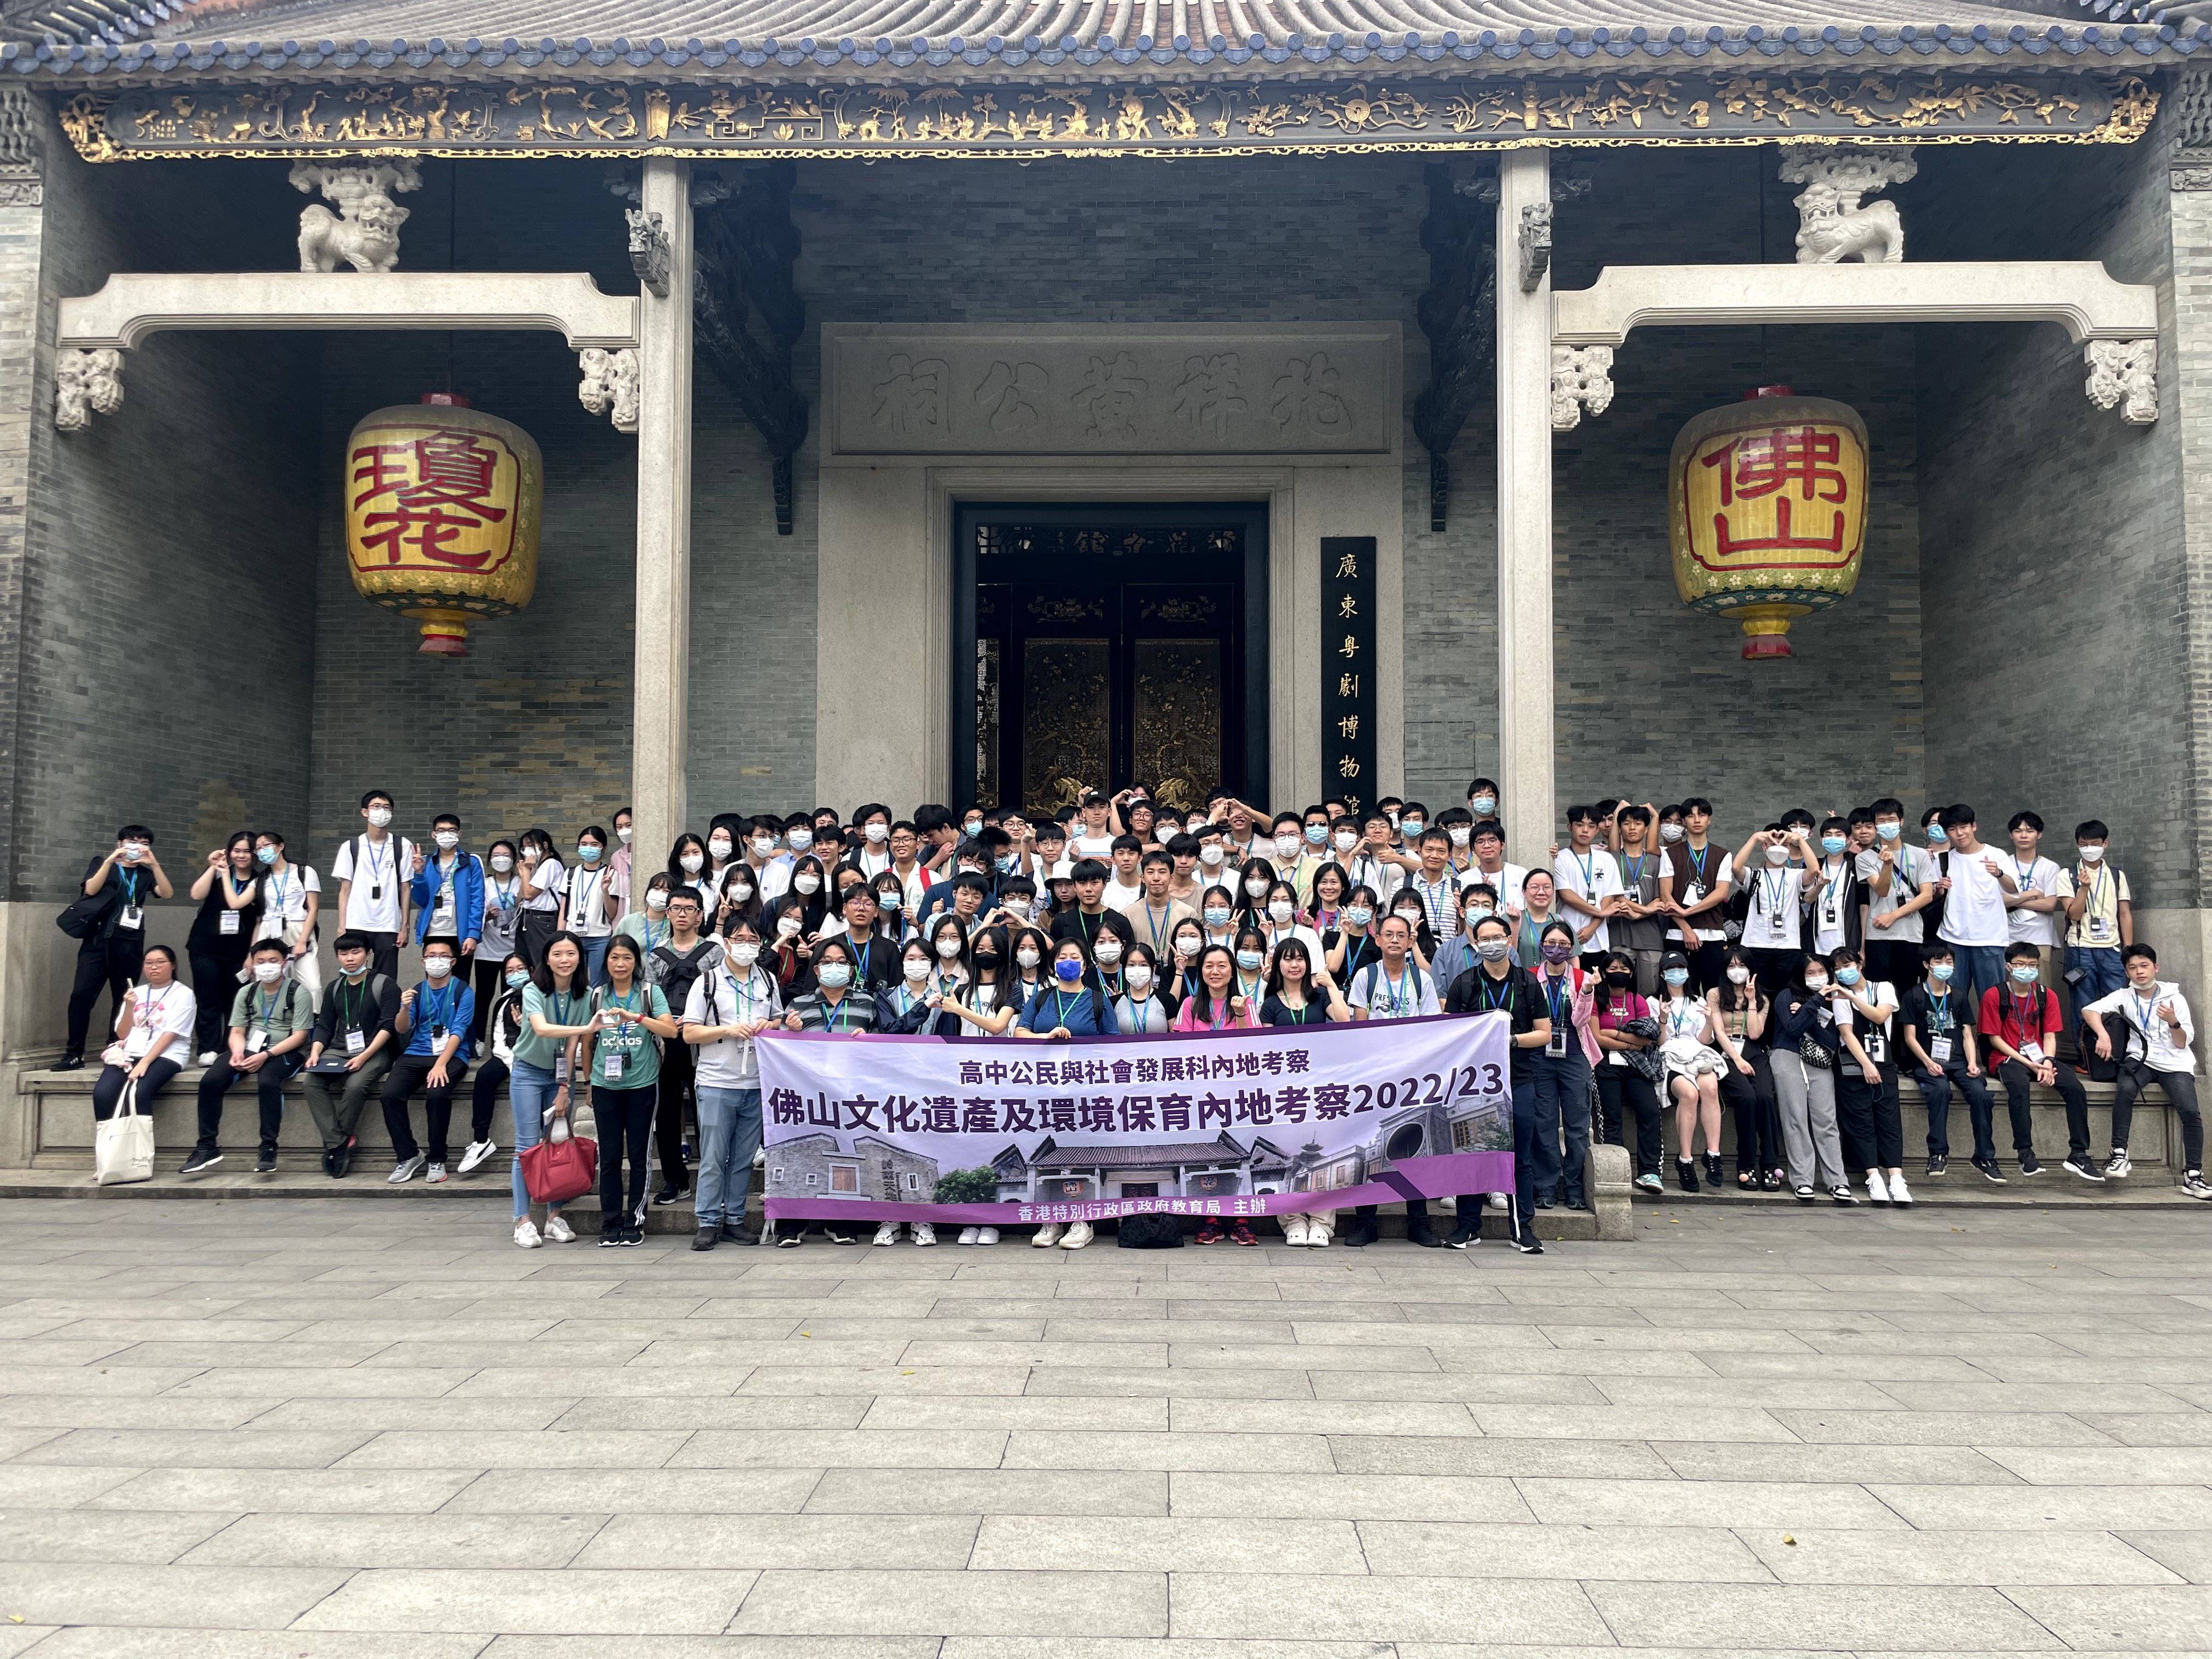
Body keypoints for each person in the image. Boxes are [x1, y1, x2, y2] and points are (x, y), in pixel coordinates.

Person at [1443, 914, 1550, 1254]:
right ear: (1476, 945)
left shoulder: (1528, 982)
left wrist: (1510, 1040)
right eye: (1484, 939)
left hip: (1518, 1080)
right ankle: (1467, 1226)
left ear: (1509, 940)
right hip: (1474, 1085)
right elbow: (1449, 1033)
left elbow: (1544, 1033)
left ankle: (1522, 1229)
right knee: (1472, 1154)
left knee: (1520, 1156)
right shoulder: (1465, 983)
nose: (1492, 944)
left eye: (1497, 938)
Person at [1344, 915, 1446, 1246]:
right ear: (1378, 939)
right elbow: (1359, 1028)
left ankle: (1419, 1222)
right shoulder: (1366, 976)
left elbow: (1430, 1028)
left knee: (1417, 1145)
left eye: (1401, 935)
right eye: (1388, 934)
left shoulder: (1422, 979)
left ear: (1410, 941)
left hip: (1413, 1074)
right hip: (1374, 1075)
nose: (1394, 940)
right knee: (1369, 1145)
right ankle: (1366, 1222)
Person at [684, 916, 782, 1249]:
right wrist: (727, 1030)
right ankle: (708, 1221)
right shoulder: (708, 981)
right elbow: (689, 1032)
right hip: (716, 1081)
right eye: (740, 939)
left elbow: (778, 1021)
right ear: (726, 943)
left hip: (755, 1082)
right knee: (714, 1156)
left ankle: (735, 1219)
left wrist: (773, 1025)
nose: (747, 946)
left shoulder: (767, 980)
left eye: (753, 940)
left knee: (743, 1158)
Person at [2083, 944, 2209, 1197]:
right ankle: (2119, 1154)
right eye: (2133, 968)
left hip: (2174, 1062)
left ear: (2155, 968)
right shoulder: (2124, 995)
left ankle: (2193, 1175)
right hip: (2140, 1058)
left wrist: (2173, 1022)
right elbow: (2089, 1010)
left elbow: (2182, 1043)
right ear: (2126, 972)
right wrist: (2103, 1035)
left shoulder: (2174, 998)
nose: (2139, 972)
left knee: (2190, 1112)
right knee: (2126, 1089)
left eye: (2144, 966)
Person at [182, 939, 313, 1175]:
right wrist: (237, 1052)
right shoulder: (247, 992)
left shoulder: (298, 992)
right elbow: (237, 1031)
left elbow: (300, 1036)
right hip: (250, 1048)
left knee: (268, 1082)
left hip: (285, 1051)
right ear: (252, 963)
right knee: (211, 1081)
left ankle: (268, 1147)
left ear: (284, 963)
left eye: (273, 961)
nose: (266, 966)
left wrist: (267, 1055)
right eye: (260, 961)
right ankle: (207, 1147)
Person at [775, 935, 873, 1246]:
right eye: (828, 962)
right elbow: (778, 1049)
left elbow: (883, 1045)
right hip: (808, 1094)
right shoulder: (799, 1005)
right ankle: (791, 1224)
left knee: (845, 1155)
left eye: (842, 963)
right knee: (801, 1153)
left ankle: (839, 1222)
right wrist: (790, 1031)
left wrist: (870, 1038)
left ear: (851, 970)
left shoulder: (867, 1003)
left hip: (850, 1094)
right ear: (816, 970)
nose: (835, 967)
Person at [583, 933, 678, 1246]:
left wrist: (636, 1017)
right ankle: (610, 1221)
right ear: (606, 961)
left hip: (643, 1084)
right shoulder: (597, 995)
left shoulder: (650, 992)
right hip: (604, 1085)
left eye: (627, 957)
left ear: (636, 962)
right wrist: (587, 1081)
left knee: (639, 1156)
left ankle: (635, 1220)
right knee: (610, 1157)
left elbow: (670, 1030)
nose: (620, 964)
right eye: (614, 957)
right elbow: (586, 1041)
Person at [1260, 938, 1351, 1246]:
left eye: (1300, 959)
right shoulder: (1271, 1004)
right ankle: (1293, 1220)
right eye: (1287, 959)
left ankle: (1322, 1222)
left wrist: (1332, 985)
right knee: (1287, 1155)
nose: (1294, 964)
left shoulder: (1320, 996)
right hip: (1285, 1089)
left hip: (1321, 1085)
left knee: (1326, 1153)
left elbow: (1344, 1019)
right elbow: (1267, 1050)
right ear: (1278, 965)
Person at [62, 825, 174, 1071]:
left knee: (123, 999)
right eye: (132, 842)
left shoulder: (145, 874)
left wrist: (154, 865)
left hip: (129, 943)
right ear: (120, 844)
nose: (137, 847)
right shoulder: (103, 864)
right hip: (97, 941)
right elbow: (90, 889)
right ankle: (74, 1053)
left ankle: (115, 1048)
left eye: (144, 843)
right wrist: (110, 861)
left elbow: (167, 893)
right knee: (81, 996)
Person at [509, 930, 595, 1248]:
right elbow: (542, 1029)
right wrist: (587, 1028)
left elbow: (572, 1045)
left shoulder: (585, 994)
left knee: (557, 1142)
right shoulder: (533, 990)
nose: (564, 960)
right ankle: (522, 1221)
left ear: (580, 958)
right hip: (528, 1072)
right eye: (557, 954)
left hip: (559, 1076)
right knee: (526, 1145)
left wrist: (565, 1086)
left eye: (571, 954)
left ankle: (553, 1217)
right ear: (547, 959)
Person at [1980, 940, 2090, 1182]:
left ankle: (2079, 1153)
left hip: (2040, 1056)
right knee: (2019, 1087)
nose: (2027, 969)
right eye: (2020, 964)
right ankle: (2025, 1152)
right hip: (2007, 1056)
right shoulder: (1995, 994)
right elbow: (1994, 1038)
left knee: (2075, 1088)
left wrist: (2048, 1063)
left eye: (2032, 965)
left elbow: (2050, 1035)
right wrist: (2029, 1064)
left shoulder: (2046, 995)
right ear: (2009, 966)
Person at [641, 885, 720, 1209]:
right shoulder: (656, 956)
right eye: (676, 908)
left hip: (705, 1041)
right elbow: (648, 997)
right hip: (667, 1041)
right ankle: (675, 1180)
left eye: (690, 909)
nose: (683, 914)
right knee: (668, 1112)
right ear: (668, 913)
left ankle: (713, 1182)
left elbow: (722, 994)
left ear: (700, 915)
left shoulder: (714, 953)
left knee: (708, 1114)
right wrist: (664, 1022)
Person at [300, 932, 400, 1178]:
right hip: (339, 1049)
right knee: (311, 1082)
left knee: (355, 1086)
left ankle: (336, 1143)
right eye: (343, 954)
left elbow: (388, 1026)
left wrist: (364, 1057)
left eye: (356, 952)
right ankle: (339, 1142)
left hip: (376, 1050)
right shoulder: (335, 987)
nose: (350, 958)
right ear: (337, 957)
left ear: (368, 954)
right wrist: (315, 1053)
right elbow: (325, 1026)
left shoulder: (385, 984)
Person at [380, 936, 475, 1185]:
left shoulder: (463, 991)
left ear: (453, 962)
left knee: (437, 1095)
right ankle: (409, 1155)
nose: (437, 961)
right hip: (417, 1053)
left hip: (452, 1055)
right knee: (390, 1095)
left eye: (443, 956)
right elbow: (402, 1029)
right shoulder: (417, 991)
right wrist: (403, 1009)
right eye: (431, 956)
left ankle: (437, 1159)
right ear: (423, 961)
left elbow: (459, 1031)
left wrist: (441, 1064)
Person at [1901, 943, 1996, 1181]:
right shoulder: (1914, 995)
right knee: (1940, 1091)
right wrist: (1927, 1062)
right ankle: (1938, 1153)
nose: (1945, 966)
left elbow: (1967, 1034)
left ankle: (1985, 1156)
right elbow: (1910, 1037)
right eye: (1939, 962)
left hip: (1958, 1061)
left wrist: (1973, 1063)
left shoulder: (1959, 996)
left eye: (1949, 962)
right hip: (1926, 1061)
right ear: (1927, 965)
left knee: (1981, 1095)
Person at [1829, 945, 1910, 1205]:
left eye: (1847, 965)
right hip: (1854, 1064)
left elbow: (1879, 1016)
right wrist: (1866, 1064)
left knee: (1889, 1120)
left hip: (1884, 1060)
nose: (1843, 972)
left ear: (1860, 965)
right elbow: (1847, 1033)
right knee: (1860, 1121)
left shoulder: (1883, 988)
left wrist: (1852, 997)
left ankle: (1896, 1178)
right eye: (1838, 969)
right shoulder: (1838, 997)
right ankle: (1873, 1177)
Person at [1771, 953, 1854, 1204]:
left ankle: (1837, 1180)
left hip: (1819, 1060)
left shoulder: (1835, 1000)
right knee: (1795, 1118)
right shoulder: (1786, 996)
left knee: (1826, 1119)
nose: (1817, 977)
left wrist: (1809, 1014)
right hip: (1788, 1056)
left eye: (1821, 972)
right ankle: (1802, 1180)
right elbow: (1792, 1029)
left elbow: (1831, 1040)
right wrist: (1815, 1002)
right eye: (1811, 973)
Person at [1527, 921, 1595, 1212]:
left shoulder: (1582, 978)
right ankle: (1546, 1187)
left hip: (1574, 1056)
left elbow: (1581, 1021)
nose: (1557, 949)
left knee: (1577, 1126)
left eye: (1564, 944)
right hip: (1539, 1057)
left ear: (1572, 947)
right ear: (1542, 946)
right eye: (1551, 943)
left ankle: (1575, 1188)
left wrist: (1587, 992)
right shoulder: (1530, 977)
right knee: (1543, 1123)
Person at [89, 944, 194, 1124]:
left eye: (160, 962)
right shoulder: (136, 992)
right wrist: (129, 1006)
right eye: (149, 963)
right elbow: (122, 1034)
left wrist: (145, 1062)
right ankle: (108, 1139)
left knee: (139, 1092)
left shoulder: (184, 993)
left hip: (167, 1054)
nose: (154, 967)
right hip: (132, 1051)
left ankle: (139, 1140)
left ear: (173, 965)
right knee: (103, 1093)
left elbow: (172, 1033)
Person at [1933, 804, 2019, 1009]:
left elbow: (2014, 888)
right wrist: (1939, 890)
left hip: (1990, 938)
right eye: (1952, 829)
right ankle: (1958, 1032)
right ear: (1947, 833)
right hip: (1953, 938)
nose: (1959, 833)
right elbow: (1935, 896)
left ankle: (1991, 1033)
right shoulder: (1943, 859)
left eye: (1964, 827)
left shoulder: (1996, 854)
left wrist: (1999, 874)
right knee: (1952, 1001)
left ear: (1974, 826)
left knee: (1993, 1001)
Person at [1710, 949, 1782, 1191]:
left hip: (1753, 1049)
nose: (1737, 971)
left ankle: (1770, 1164)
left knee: (1766, 1097)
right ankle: (1746, 1165)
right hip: (1726, 1052)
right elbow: (1719, 1032)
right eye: (1731, 966)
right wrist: (1737, 1059)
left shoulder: (1762, 999)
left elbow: (1755, 1033)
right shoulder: (1715, 994)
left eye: (1741, 965)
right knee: (1747, 1098)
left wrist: (1751, 1001)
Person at [1655, 950, 1726, 1193]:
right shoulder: (1653, 1001)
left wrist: (1710, 1022)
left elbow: (1704, 1039)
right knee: (1690, 1094)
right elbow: (1659, 1041)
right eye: (1671, 969)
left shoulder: (1698, 1001)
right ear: (1663, 974)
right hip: (1670, 1057)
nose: (1677, 973)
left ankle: (1713, 1154)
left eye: (1681, 968)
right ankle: (1685, 1160)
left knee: (1711, 1087)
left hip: (1696, 1054)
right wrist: (1663, 1019)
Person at [186, 832, 261, 1064]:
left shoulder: (260, 881)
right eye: (236, 851)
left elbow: (257, 920)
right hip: (205, 947)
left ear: (255, 854)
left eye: (247, 851)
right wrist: (213, 867)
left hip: (238, 951)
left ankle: (231, 1047)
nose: (241, 856)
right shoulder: (218, 873)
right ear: (229, 852)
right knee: (208, 998)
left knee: (236, 1001)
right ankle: (207, 1048)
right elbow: (196, 894)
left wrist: (251, 953)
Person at [1593, 949, 1662, 1194]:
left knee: (1650, 1112)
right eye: (1613, 969)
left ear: (1631, 974)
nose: (1619, 973)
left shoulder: (1636, 1000)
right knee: (1611, 1116)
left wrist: (1615, 1035)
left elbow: (1648, 1038)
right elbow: (1597, 1037)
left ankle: (1650, 1172)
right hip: (1605, 1063)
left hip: (1636, 1064)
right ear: (1604, 973)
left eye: (1624, 969)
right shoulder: (1597, 1000)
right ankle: (1616, 1171)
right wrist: (1630, 1041)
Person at [2059, 821, 2131, 1047]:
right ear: (2077, 845)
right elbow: (2074, 914)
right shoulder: (2068, 875)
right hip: (2081, 949)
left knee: (2118, 1001)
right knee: (2083, 1004)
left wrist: (2128, 951)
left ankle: (2117, 1050)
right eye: (2084, 844)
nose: (2090, 848)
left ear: (2105, 844)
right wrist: (2083, 888)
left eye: (2095, 843)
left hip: (2112, 949)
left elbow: (2125, 914)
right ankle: (2086, 1055)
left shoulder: (2116, 875)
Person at [331, 789, 416, 981]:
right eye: (376, 807)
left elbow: (406, 888)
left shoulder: (402, 845)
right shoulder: (351, 847)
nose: (382, 812)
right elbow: (345, 890)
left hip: (388, 923)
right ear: (365, 812)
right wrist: (342, 926)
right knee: (352, 975)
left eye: (387, 808)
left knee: (386, 979)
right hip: (356, 922)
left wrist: (405, 926)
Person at [1859, 797, 1936, 994]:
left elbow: (1927, 895)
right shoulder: (1865, 857)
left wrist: (1893, 916)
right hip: (1878, 935)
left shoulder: (1919, 854)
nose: (1887, 825)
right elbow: (1882, 890)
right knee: (1879, 991)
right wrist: (1887, 865)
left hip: (1910, 933)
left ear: (1901, 821)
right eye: (1882, 821)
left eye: (1892, 820)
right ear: (1875, 825)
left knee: (1907, 990)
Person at [466, 954, 532, 1180]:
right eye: (510, 971)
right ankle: (481, 1140)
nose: (516, 974)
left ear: (531, 970)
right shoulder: (505, 998)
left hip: (528, 1054)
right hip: (503, 1054)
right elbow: (499, 1035)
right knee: (484, 1077)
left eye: (521, 969)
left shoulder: (534, 995)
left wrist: (525, 1025)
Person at [409, 814, 484, 994]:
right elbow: (421, 900)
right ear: (433, 834)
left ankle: (458, 1013)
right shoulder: (426, 862)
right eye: (441, 831)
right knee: (434, 983)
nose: (447, 834)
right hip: (433, 932)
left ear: (460, 834)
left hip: (461, 934)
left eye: (452, 830)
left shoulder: (470, 862)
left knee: (460, 985)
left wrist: (473, 934)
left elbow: (478, 900)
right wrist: (418, 874)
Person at [1664, 799, 1733, 990]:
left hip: (1713, 934)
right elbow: (1666, 895)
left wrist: (1688, 911)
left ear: (1709, 820)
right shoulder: (1670, 854)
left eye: (1702, 815)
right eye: (1690, 815)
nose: (1696, 820)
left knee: (1715, 992)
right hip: (1678, 934)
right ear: (1684, 821)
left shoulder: (1723, 855)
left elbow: (1721, 892)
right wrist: (1686, 928)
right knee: (1683, 992)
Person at [1554, 805, 1626, 973]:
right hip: (1569, 934)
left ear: (1597, 830)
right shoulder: (1560, 858)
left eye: (1591, 826)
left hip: (1599, 938)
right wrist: (1602, 913)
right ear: (1570, 826)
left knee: (1596, 984)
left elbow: (1609, 897)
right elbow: (1566, 895)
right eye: (1580, 825)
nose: (1585, 830)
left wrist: (1592, 927)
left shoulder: (1607, 859)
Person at [2001, 811, 2066, 974]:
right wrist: (2033, 894)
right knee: (2010, 985)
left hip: (2040, 936)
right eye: (2018, 831)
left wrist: (2013, 901)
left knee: (2041, 984)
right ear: (2011, 835)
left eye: (2030, 831)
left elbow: (2050, 904)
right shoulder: (2003, 865)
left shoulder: (2050, 867)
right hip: (2008, 936)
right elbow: (1999, 900)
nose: (2024, 836)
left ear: (2039, 834)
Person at [564, 826, 617, 983]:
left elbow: (612, 913)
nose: (589, 848)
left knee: (598, 984)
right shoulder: (570, 873)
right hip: (573, 937)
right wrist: (561, 936)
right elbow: (564, 909)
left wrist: (605, 890)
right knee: (574, 982)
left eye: (594, 844)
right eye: (584, 844)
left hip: (600, 938)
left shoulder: (610, 874)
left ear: (603, 847)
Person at [516, 828, 564, 969]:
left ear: (545, 845)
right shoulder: (537, 867)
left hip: (542, 920)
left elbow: (529, 895)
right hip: (528, 918)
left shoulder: (551, 864)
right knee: (524, 963)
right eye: (524, 847)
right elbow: (520, 899)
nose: (527, 850)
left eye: (531, 845)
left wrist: (526, 870)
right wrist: (525, 874)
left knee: (540, 964)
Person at [1114, 941, 1171, 1035]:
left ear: (1153, 968)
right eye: (1131, 965)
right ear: (1124, 969)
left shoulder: (1167, 1000)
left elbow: (1176, 1038)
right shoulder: (1114, 1002)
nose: (1137, 969)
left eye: (1143, 965)